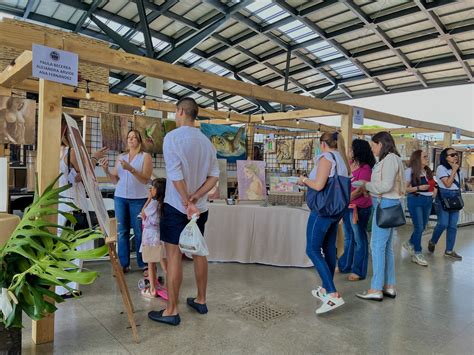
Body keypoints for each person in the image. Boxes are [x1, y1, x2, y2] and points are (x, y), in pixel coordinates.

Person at [148, 97, 219, 326]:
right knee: (198, 251)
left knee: (174, 254)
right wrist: (196, 197)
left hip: (178, 207)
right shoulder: (207, 142)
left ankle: (171, 310)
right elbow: (214, 176)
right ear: (194, 114)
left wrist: (186, 201)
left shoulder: (172, 138)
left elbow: (176, 176)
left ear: (180, 111)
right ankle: (201, 299)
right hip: (200, 208)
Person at [298, 131, 350, 314]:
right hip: (335, 211)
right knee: (328, 248)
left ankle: (332, 294)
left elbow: (319, 185)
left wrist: (304, 179)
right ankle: (325, 287)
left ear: (323, 143)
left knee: (312, 249)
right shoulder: (341, 158)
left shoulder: (326, 158)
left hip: (322, 210)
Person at [57, 120, 108, 297]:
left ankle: (61, 287)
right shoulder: (70, 153)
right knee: (75, 247)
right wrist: (93, 158)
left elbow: (75, 176)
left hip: (58, 203)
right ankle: (70, 287)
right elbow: (86, 174)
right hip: (73, 204)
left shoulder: (50, 152)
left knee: (61, 247)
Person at [356, 132, 405, 301]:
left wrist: (366, 184)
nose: (372, 149)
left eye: (373, 146)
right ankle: (389, 285)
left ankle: (376, 288)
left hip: (385, 205)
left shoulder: (390, 159)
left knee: (377, 246)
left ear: (381, 144)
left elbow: (385, 185)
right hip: (388, 204)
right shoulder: (393, 159)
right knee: (386, 247)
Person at [100, 129, 153, 274]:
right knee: (122, 231)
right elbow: (115, 180)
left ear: (140, 141)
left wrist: (131, 169)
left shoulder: (145, 157)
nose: (131, 139)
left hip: (139, 199)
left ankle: (144, 264)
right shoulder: (121, 157)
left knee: (139, 231)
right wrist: (106, 170)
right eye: (129, 137)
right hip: (120, 198)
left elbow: (145, 179)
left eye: (134, 137)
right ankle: (124, 264)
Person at [338, 139, 375, 281]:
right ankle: (345, 265)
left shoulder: (365, 169)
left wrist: (344, 199)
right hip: (348, 208)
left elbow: (360, 190)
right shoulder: (350, 167)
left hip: (359, 209)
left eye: (350, 149)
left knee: (360, 240)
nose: (348, 152)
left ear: (357, 152)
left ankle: (359, 270)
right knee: (348, 238)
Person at [428, 148, 463, 260]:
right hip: (443, 198)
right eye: (452, 155)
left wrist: (455, 170)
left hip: (455, 198)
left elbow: (456, 186)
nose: (455, 156)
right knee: (443, 224)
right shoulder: (441, 168)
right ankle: (433, 241)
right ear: (445, 157)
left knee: (453, 226)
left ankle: (449, 250)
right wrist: (453, 170)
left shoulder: (458, 169)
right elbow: (447, 184)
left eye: (456, 154)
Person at [402, 150, 435, 266]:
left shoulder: (427, 171)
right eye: (425, 156)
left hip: (428, 201)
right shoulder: (409, 171)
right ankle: (417, 252)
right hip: (416, 200)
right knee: (419, 227)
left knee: (422, 227)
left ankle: (410, 242)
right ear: (417, 158)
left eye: (427, 156)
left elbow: (433, 186)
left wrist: (434, 190)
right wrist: (419, 187)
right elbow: (404, 189)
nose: (427, 158)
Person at [140, 178, 168, 300]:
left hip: (150, 236)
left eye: (153, 188)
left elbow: (143, 214)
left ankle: (152, 289)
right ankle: (171, 286)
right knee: (164, 262)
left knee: (151, 264)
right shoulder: (165, 204)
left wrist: (148, 199)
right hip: (160, 236)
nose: (151, 189)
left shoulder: (153, 203)